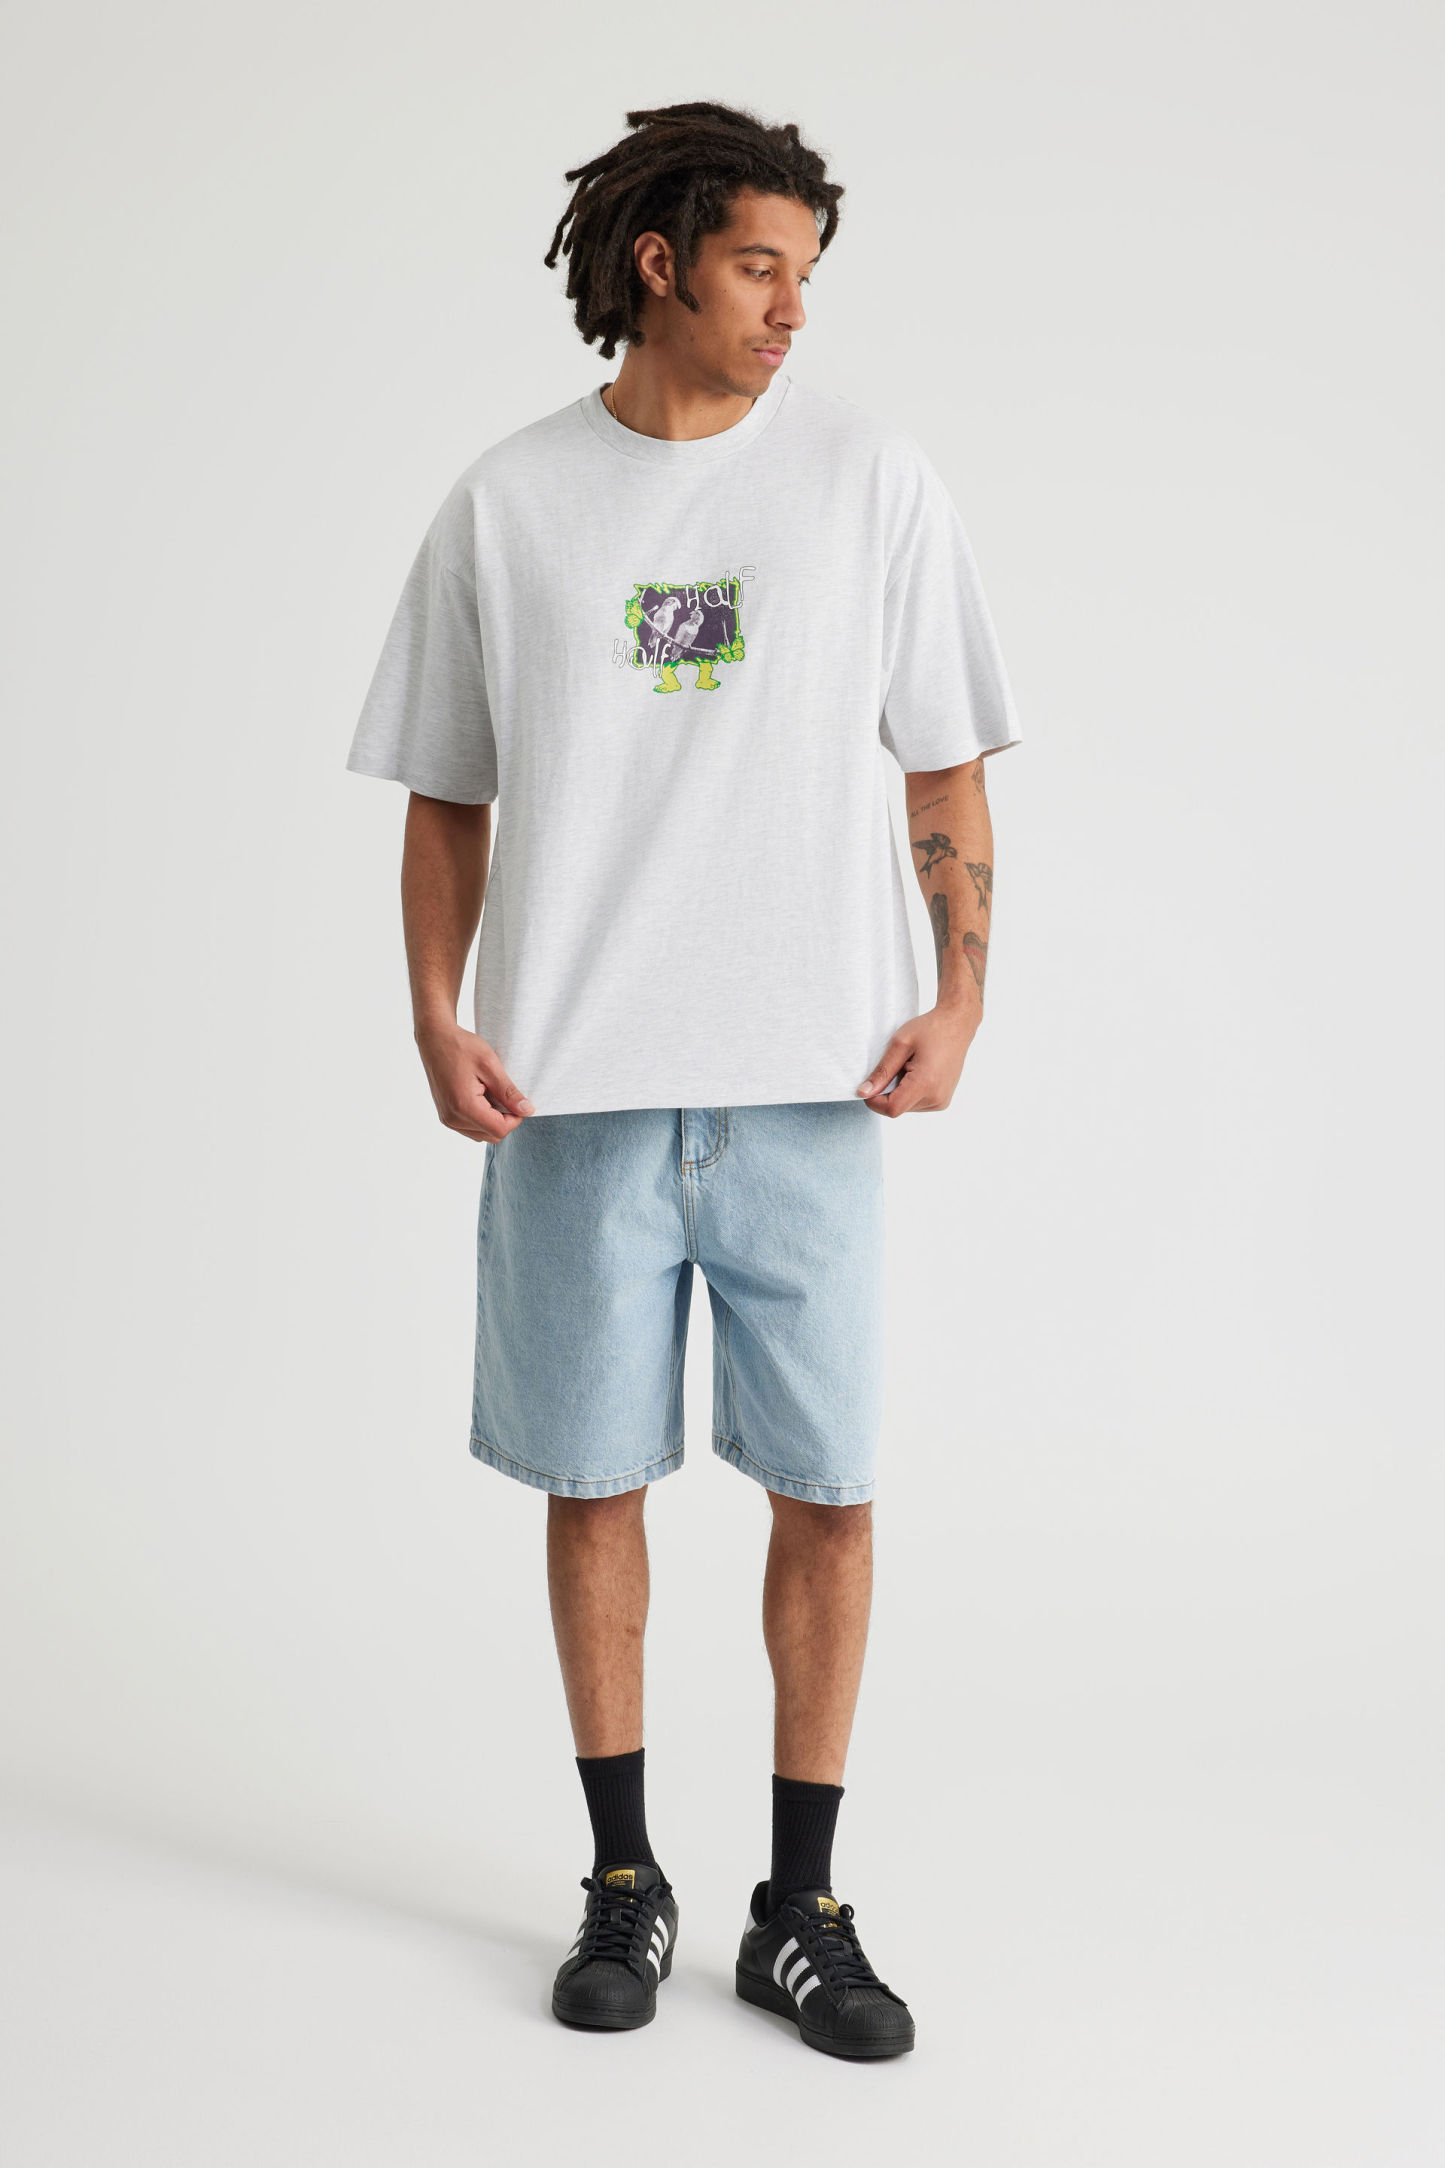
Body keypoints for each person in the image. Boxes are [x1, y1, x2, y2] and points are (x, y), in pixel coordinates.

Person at [346, 100, 1022, 2060]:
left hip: (812, 1089)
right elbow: (446, 792)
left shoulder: (869, 483)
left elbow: (945, 760)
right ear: (660, 265)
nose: (793, 311)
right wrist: (434, 1011)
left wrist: (962, 996)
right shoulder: (509, 504)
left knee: (831, 1493)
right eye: (758, 269)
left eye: (808, 276)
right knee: (593, 1486)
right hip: (574, 1097)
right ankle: (621, 1879)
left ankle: (801, 1907)